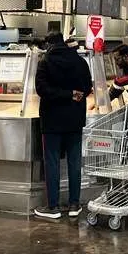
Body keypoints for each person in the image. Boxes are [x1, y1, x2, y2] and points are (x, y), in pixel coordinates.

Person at [34, 32, 93, 220]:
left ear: (49, 44)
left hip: (52, 120)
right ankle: (74, 204)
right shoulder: (80, 61)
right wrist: (73, 94)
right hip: (75, 119)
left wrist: (64, 94)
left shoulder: (45, 62)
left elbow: (42, 89)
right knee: (74, 162)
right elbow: (87, 88)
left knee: (52, 163)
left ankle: (53, 207)